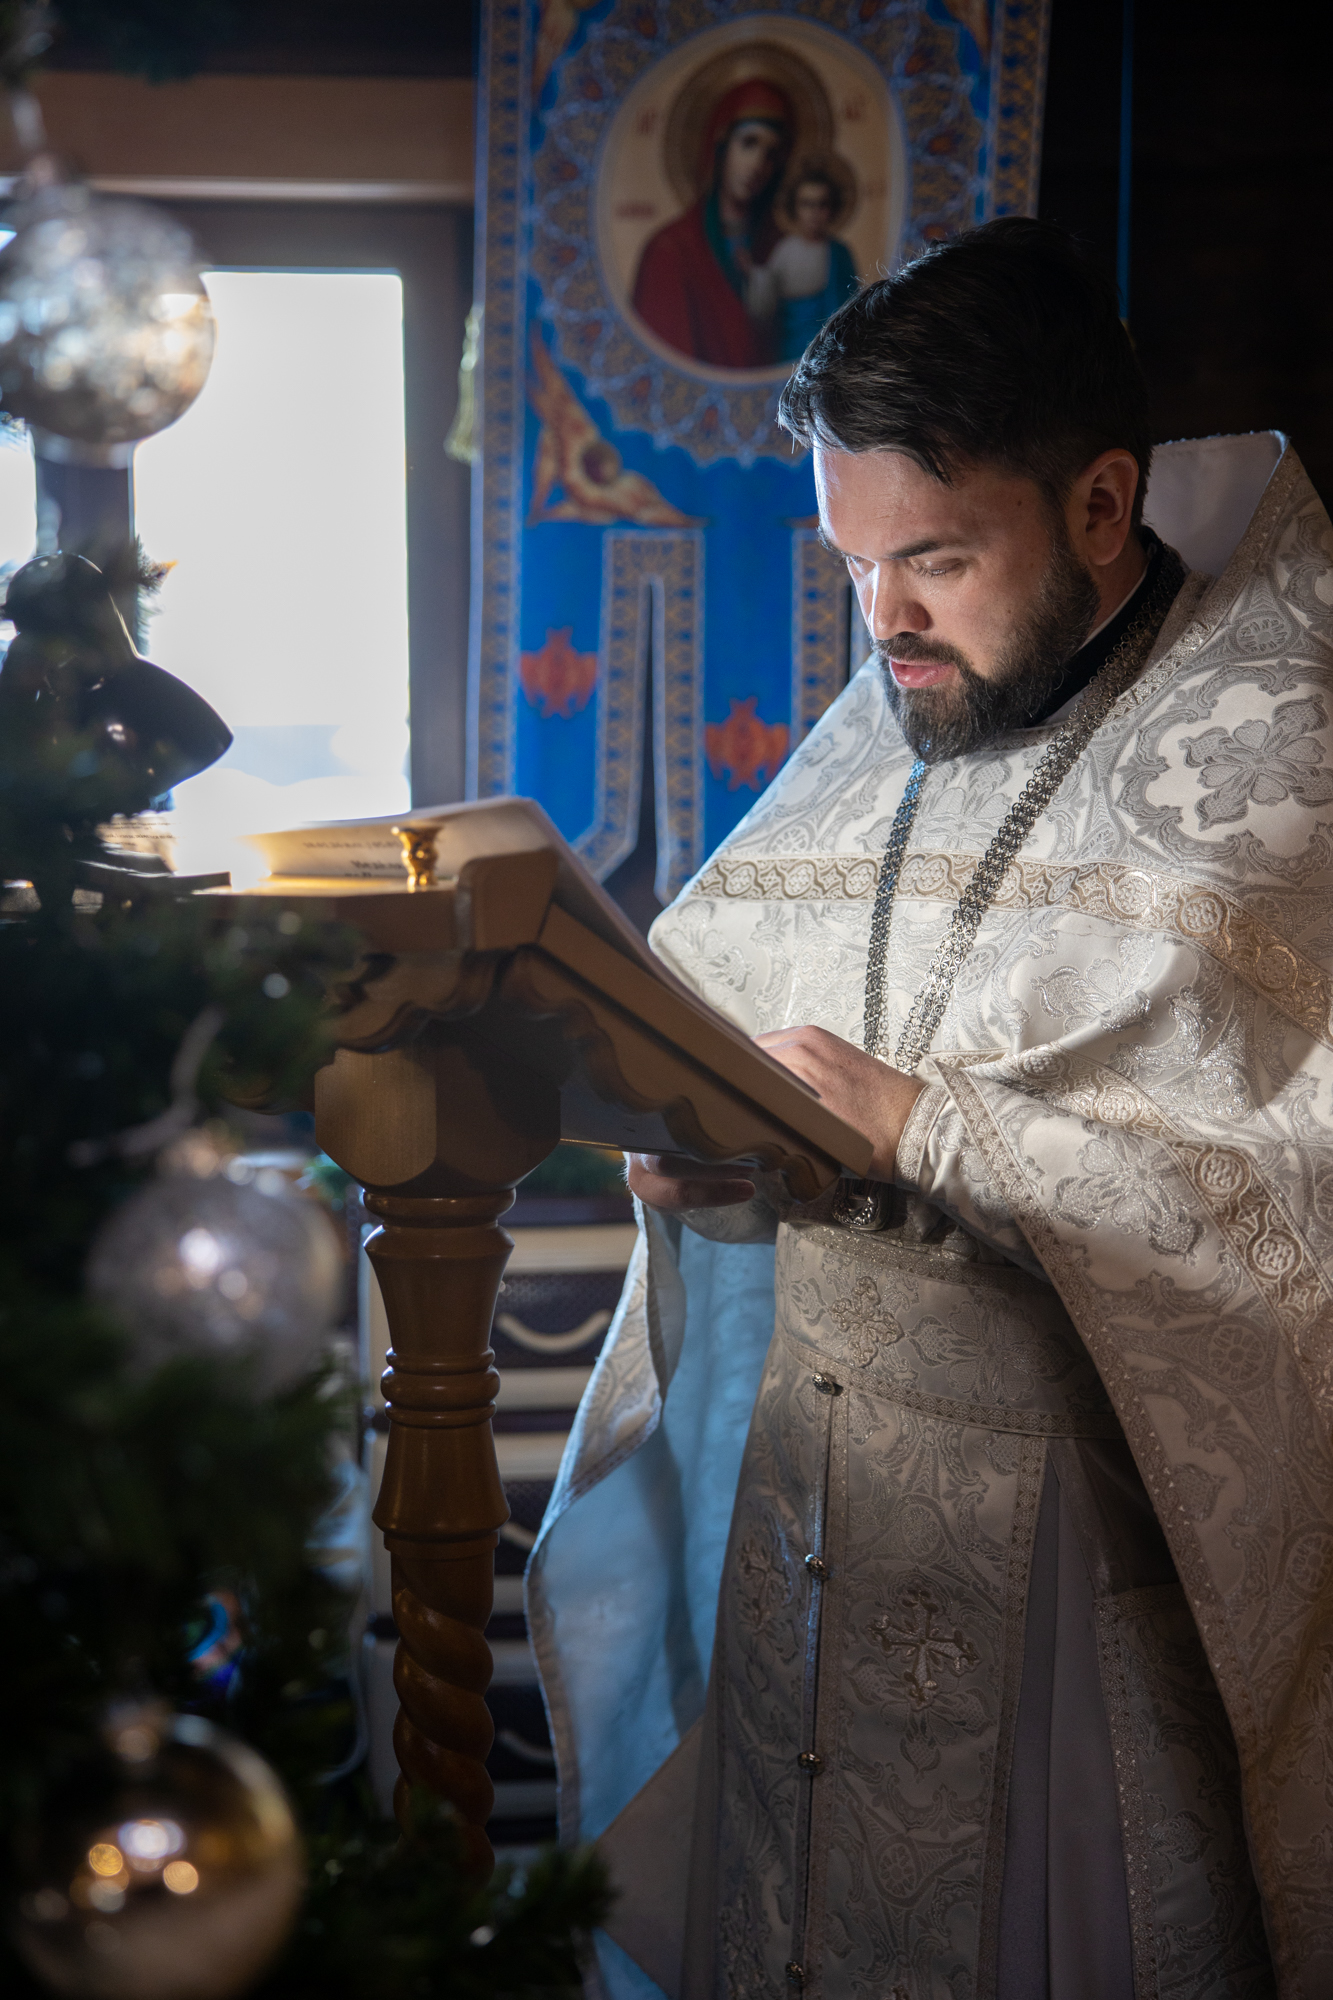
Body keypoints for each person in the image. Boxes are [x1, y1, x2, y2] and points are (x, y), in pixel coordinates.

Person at [531, 218, 1333, 1999]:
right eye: (851, 561)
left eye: (935, 559)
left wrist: (933, 1134)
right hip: (802, 1545)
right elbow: (762, 1030)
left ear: (1102, 505)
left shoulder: (1279, 758)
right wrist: (715, 1148)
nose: (880, 620)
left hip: (1069, 1591)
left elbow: (1293, 1194)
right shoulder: (913, 697)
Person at [631, 77, 792, 369]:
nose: (757, 164)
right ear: (721, 146)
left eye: (771, 154)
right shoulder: (669, 250)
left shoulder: (782, 247)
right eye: (749, 143)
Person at [748, 166, 860, 361]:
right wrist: (753, 274)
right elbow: (766, 302)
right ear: (795, 208)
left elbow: (853, 305)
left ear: (831, 209)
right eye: (807, 204)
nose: (814, 212)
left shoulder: (840, 253)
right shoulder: (785, 250)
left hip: (832, 351)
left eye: (822, 204)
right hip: (791, 352)